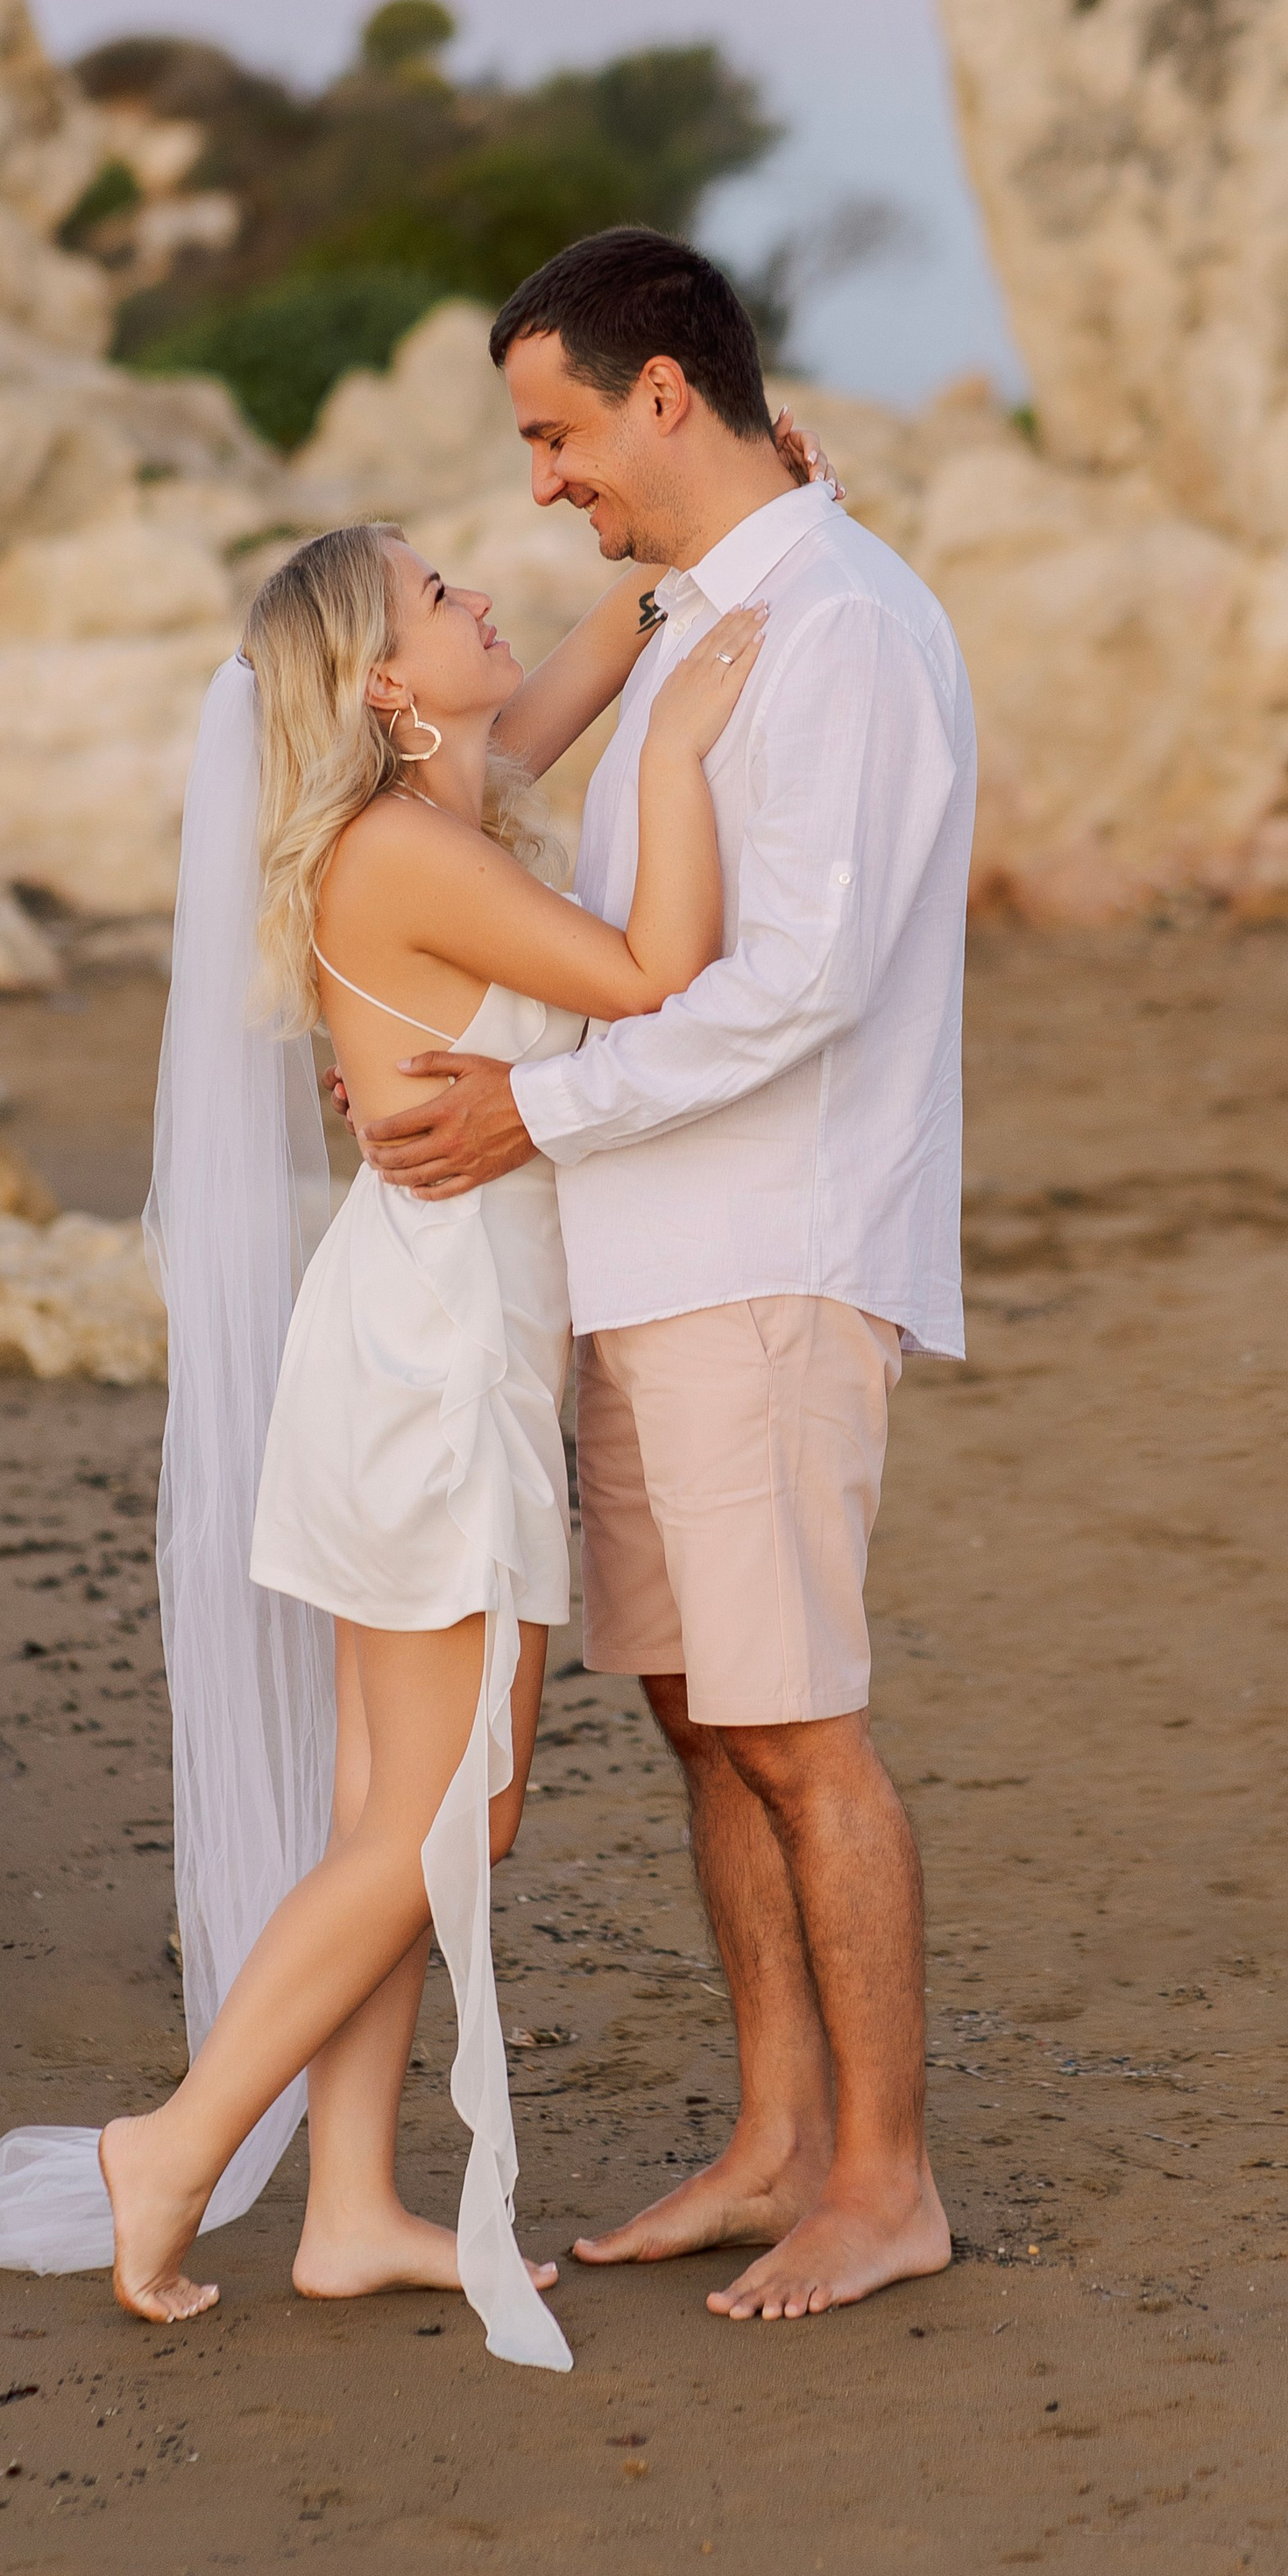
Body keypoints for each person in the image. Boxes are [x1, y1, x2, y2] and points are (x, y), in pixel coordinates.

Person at [0, 514, 762, 2367]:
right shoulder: (404, 850)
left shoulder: (424, 816)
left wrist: (682, 567)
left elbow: (532, 713)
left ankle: (354, 2207)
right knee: (454, 1810)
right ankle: (173, 2146)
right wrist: (688, 747)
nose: (482, 596)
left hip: (416, 1334)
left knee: (392, 1812)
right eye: (439, 595)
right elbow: (655, 975)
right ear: (384, 685)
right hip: (436, 1361)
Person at [361, 227, 978, 2323]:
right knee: (707, 1724)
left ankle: (884, 2182)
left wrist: (531, 1116)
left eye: (554, 435)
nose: (539, 483)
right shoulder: (716, 607)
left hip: (766, 1254)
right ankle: (776, 2142)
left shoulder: (842, 632)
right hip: (644, 1254)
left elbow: (798, 987)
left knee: (797, 1729)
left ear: (657, 393)